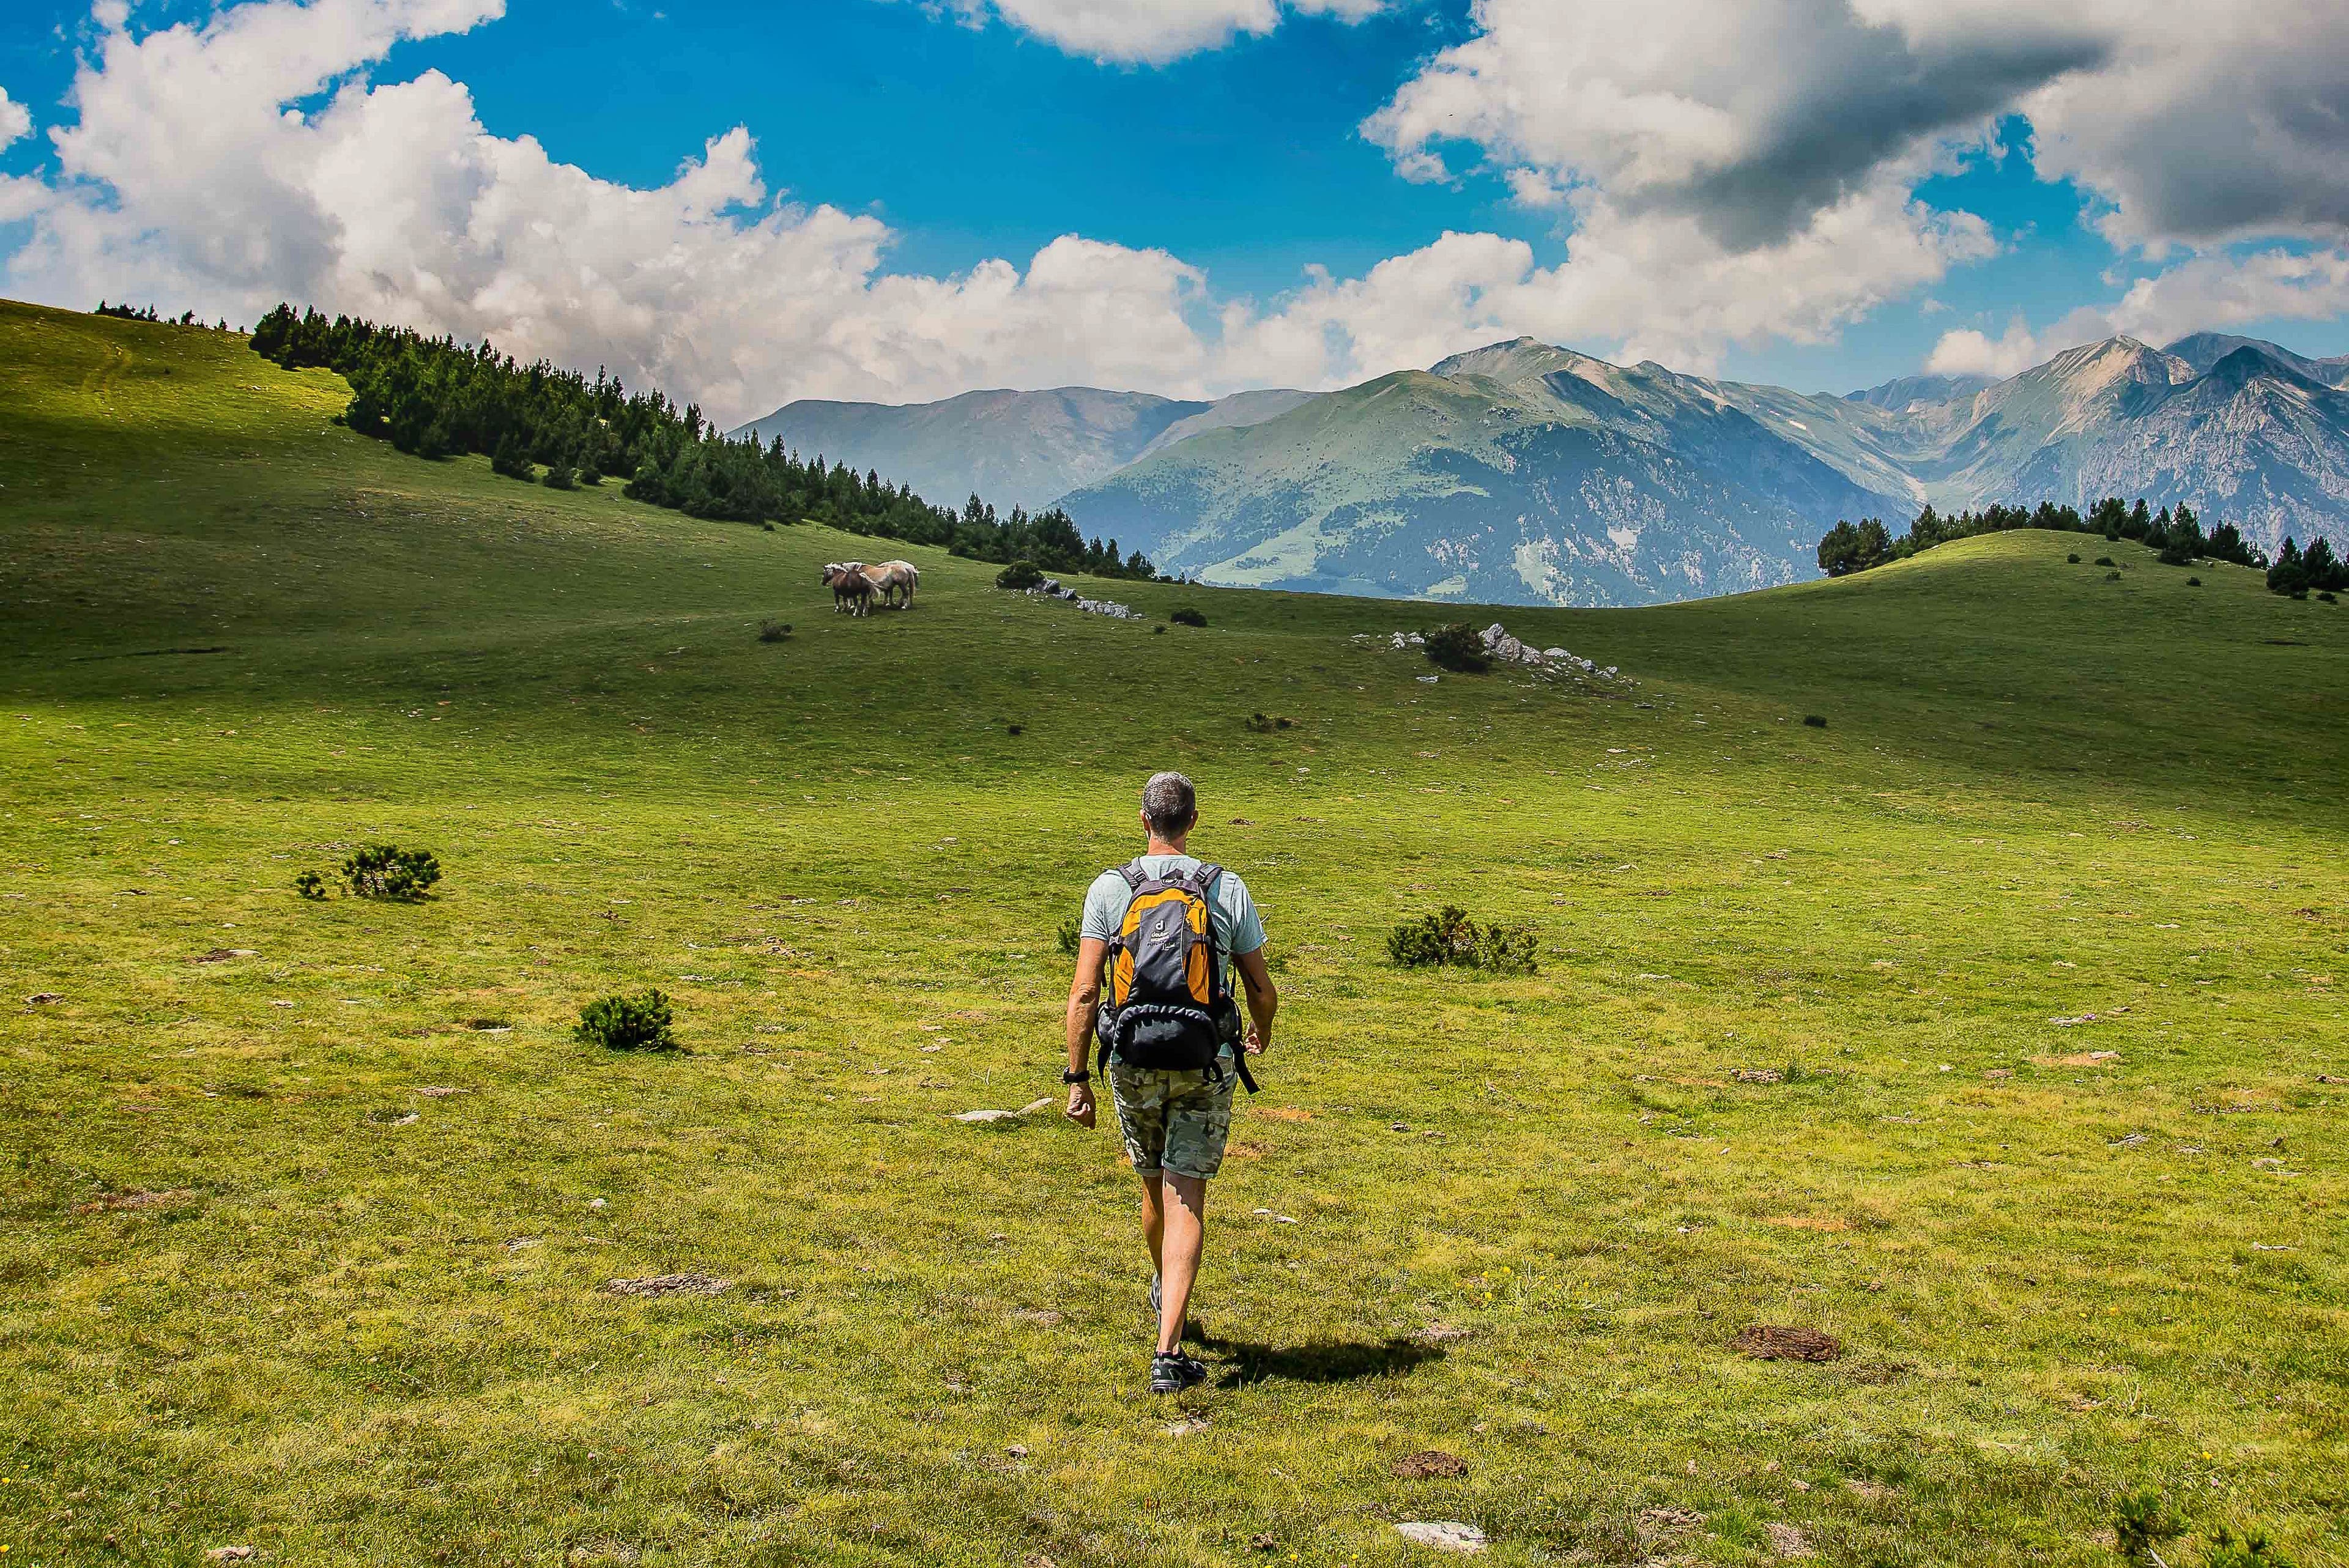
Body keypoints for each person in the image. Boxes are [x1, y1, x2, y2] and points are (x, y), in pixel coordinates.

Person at [1063, 772, 1278, 1394]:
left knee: (1153, 1181)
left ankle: (1165, 1291)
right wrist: (1258, 1033)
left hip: (1131, 1056)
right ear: (1194, 821)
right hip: (1204, 1060)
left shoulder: (1111, 888)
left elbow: (1083, 992)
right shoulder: (1223, 886)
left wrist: (1078, 1076)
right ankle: (1169, 1348)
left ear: (1143, 819)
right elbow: (1262, 988)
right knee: (1188, 1190)